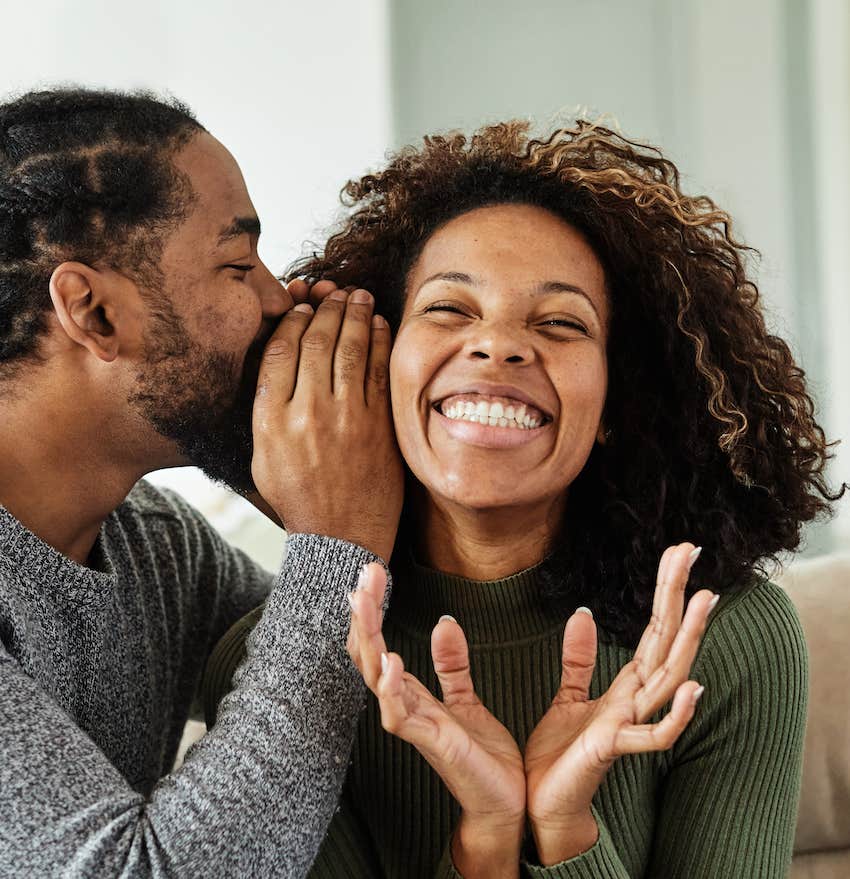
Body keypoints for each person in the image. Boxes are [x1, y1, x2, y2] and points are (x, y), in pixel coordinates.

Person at [205, 120, 845, 878]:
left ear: (614, 405)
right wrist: (486, 837)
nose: (498, 345)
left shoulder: (729, 639)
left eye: (561, 322)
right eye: (449, 309)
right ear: (382, 364)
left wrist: (565, 828)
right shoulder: (277, 666)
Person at [0, 87, 402, 877]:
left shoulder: (154, 545)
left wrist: (310, 478)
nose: (276, 298)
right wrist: (335, 541)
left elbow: (365, 678)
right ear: (94, 312)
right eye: (236, 262)